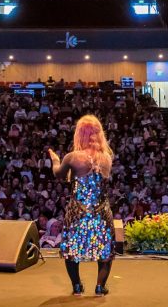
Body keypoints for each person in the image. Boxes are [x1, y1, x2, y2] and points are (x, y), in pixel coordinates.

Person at [47, 115, 115, 297]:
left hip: (77, 210)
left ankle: (77, 286)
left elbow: (59, 175)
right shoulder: (107, 158)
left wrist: (54, 160)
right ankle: (100, 287)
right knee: (105, 249)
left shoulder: (72, 157)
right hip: (101, 211)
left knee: (71, 249)